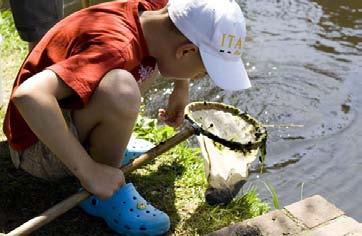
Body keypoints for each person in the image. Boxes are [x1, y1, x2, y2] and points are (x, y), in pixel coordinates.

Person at [2, 0, 251, 234]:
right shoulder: (116, 48)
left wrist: (181, 87)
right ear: (186, 51)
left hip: (63, 118)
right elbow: (28, 96)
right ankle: (103, 193)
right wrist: (89, 171)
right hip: (36, 148)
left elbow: (178, 31)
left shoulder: (156, 13)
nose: (199, 78)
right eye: (203, 72)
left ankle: (106, 146)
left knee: (144, 64)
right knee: (121, 88)